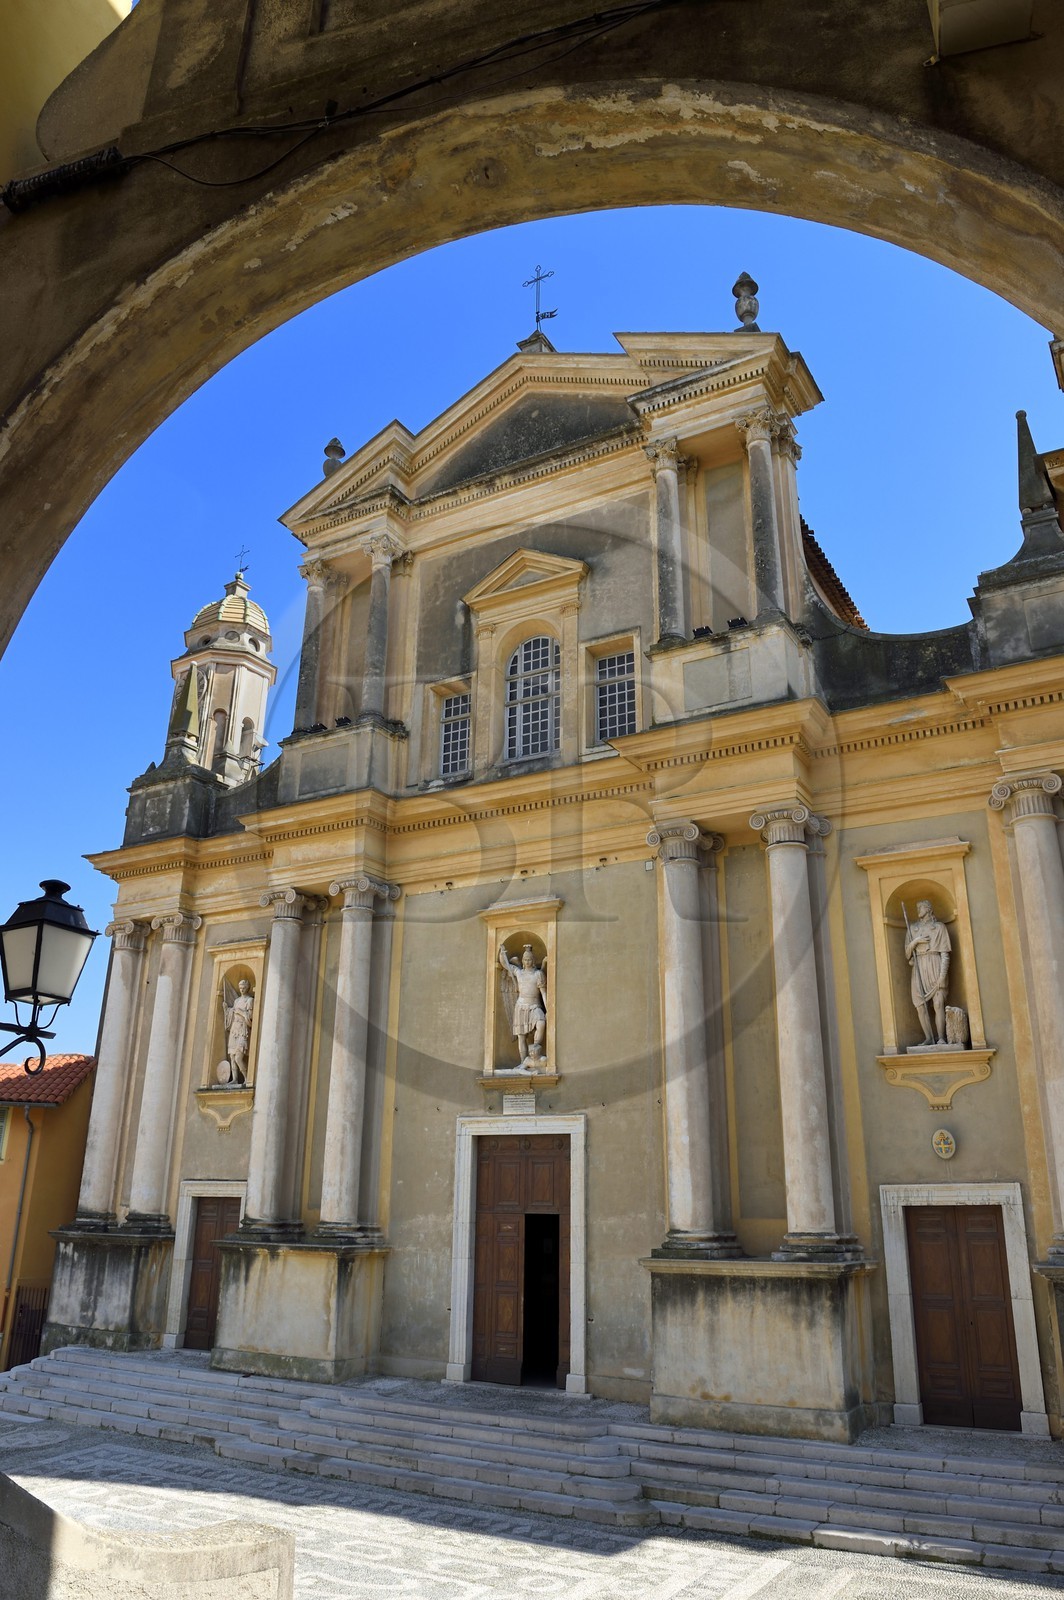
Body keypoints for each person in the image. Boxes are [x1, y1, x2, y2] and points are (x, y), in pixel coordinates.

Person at [905, 900, 950, 1046]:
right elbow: (907, 954)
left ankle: (941, 1038)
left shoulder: (939, 927)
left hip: (935, 964)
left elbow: (945, 954)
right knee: (920, 1005)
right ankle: (929, 1038)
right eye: (917, 906)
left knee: (938, 1003)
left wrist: (942, 977)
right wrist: (915, 942)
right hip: (918, 968)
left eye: (921, 906)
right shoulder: (913, 929)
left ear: (929, 909)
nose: (918, 908)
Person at [499, 943, 547, 1068]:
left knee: (541, 1022)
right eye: (525, 959)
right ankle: (523, 1062)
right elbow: (505, 965)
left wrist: (548, 1009)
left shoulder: (538, 974)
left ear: (533, 960)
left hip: (534, 1005)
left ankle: (535, 1048)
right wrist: (502, 953)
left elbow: (543, 993)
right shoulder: (518, 972)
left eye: (530, 959)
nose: (527, 962)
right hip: (520, 1006)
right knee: (521, 1036)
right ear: (522, 961)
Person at [223, 977, 254, 1083]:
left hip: (242, 1030)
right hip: (234, 1029)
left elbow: (250, 1017)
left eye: (244, 987)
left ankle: (246, 1078)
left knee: (238, 1057)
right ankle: (235, 1079)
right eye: (240, 987)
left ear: (248, 988)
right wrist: (227, 1010)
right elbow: (232, 1014)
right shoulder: (236, 1001)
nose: (242, 989)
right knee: (232, 1056)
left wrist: (240, 1012)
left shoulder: (250, 1001)